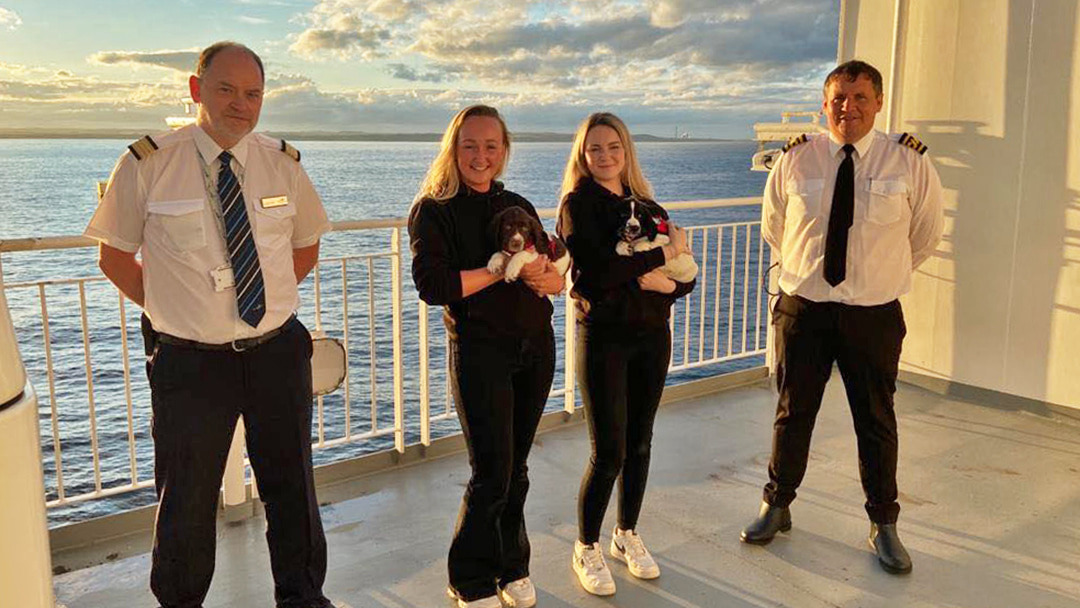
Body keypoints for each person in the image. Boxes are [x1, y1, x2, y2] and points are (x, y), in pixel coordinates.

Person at [84, 42, 337, 608]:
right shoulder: (148, 162)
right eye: (226, 89)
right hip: (190, 362)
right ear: (196, 89)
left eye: (253, 93)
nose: (240, 104)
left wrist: (261, 307)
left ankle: (303, 599)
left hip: (275, 351)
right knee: (187, 501)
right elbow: (114, 257)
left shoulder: (282, 162)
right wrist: (179, 309)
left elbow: (305, 247)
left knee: (292, 490)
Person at [740, 60, 944, 575]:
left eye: (859, 97)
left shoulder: (908, 162)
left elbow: (925, 234)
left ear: (878, 103)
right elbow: (775, 227)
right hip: (804, 309)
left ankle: (884, 523)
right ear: (824, 104)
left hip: (872, 314)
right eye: (837, 98)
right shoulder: (796, 159)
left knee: (875, 420)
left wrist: (878, 276)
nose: (847, 108)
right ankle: (777, 503)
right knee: (793, 411)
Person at [408, 105, 565, 608]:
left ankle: (513, 565)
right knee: (491, 470)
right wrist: (501, 271)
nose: (480, 156)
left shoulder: (516, 202)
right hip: (480, 353)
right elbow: (433, 285)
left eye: (491, 146)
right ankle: (470, 580)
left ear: (504, 151)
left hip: (535, 349)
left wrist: (551, 278)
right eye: (470, 145)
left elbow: (551, 270)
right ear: (454, 149)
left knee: (517, 466)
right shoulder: (434, 209)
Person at [556, 112, 695, 596]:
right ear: (583, 154)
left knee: (640, 443)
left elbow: (686, 273)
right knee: (608, 450)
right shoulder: (579, 205)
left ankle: (626, 534)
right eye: (595, 149)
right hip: (604, 339)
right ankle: (586, 545)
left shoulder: (647, 205)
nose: (606, 156)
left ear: (626, 150)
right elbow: (594, 276)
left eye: (614, 147)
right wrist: (659, 260)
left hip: (652, 336)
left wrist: (668, 286)